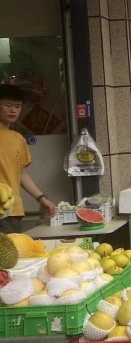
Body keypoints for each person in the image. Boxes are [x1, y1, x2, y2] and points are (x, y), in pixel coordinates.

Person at [0, 84, 57, 233]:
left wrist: (41, 198)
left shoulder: (18, 139)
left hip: (15, 211)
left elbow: (21, 173)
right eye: (8, 106)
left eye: (17, 106)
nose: (13, 110)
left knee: (16, 248)